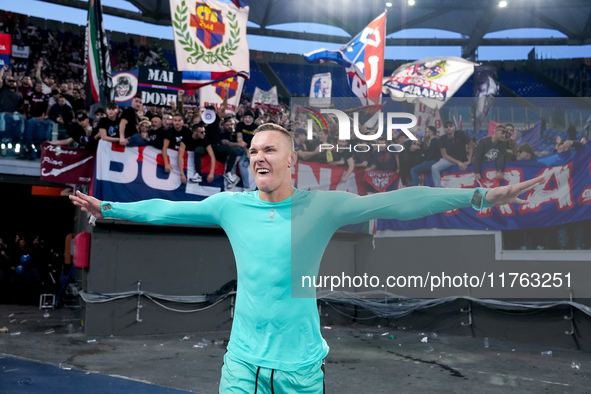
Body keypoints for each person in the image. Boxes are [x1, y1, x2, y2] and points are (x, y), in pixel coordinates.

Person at [70, 123, 544, 393]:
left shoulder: (322, 205)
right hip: (241, 368)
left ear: (290, 160)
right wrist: (109, 207)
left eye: (269, 149)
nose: (258, 156)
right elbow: (167, 210)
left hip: (299, 370)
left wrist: (485, 195)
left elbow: (406, 200)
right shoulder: (230, 205)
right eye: (253, 150)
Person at [431, 120, 473, 187]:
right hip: (449, 160)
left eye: (450, 126)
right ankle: (438, 189)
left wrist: (469, 160)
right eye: (446, 127)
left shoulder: (461, 134)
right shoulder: (442, 138)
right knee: (434, 168)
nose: (448, 128)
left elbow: (471, 145)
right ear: (444, 129)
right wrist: (458, 162)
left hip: (462, 158)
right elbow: (445, 155)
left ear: (454, 127)